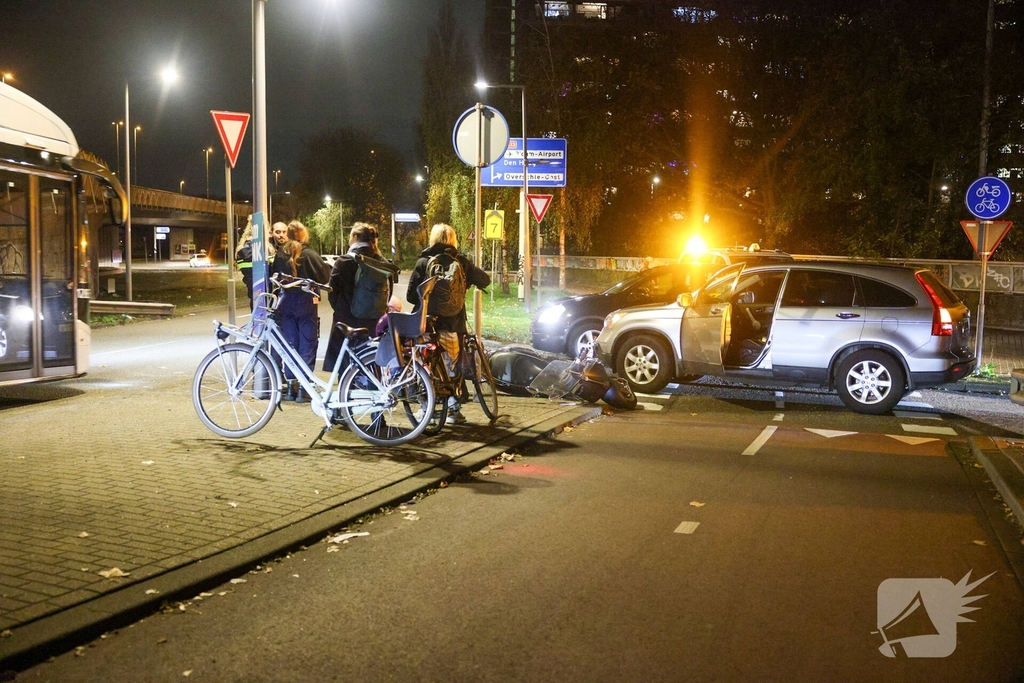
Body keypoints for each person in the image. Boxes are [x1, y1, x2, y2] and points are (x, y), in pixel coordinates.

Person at [406, 223, 491, 424]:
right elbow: (485, 280)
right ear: (453, 241)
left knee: (425, 367)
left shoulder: (423, 262)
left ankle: (426, 411)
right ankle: (453, 410)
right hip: (454, 324)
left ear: (433, 239)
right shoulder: (462, 262)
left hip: (427, 324)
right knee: (453, 367)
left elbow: (411, 296)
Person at [323, 223, 399, 371]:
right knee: (370, 362)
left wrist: (342, 309)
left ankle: (347, 385)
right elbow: (388, 293)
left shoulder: (344, 261)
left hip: (347, 320)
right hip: (373, 322)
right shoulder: (382, 263)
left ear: (356, 237)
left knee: (345, 364)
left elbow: (332, 292)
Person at [272, 220, 329, 403]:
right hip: (306, 303)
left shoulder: (281, 254)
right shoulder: (310, 255)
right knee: (307, 343)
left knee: (290, 344)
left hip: (287, 303)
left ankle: (291, 387)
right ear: (304, 234)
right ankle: (304, 389)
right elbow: (325, 276)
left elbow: (274, 276)